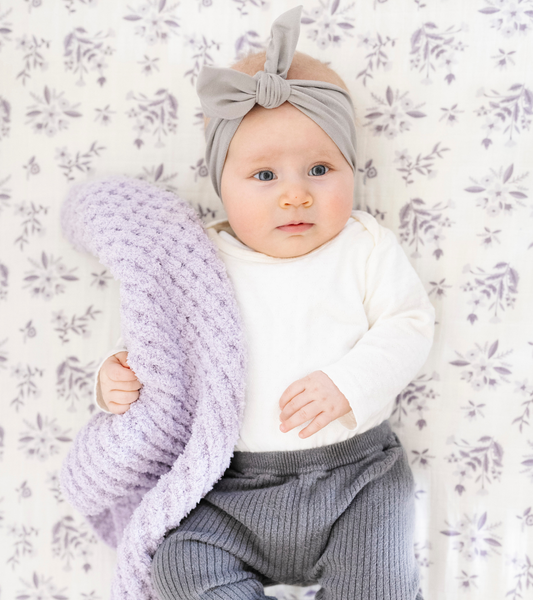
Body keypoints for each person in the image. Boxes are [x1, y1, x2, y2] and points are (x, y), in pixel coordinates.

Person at [93, 6, 434, 599]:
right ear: (220, 181)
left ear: (352, 169)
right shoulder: (199, 260)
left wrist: (347, 382)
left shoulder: (363, 246)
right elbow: (159, 349)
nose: (296, 194)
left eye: (321, 168)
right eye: (264, 176)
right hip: (229, 493)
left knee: (379, 583)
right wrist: (113, 379)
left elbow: (409, 325)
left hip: (357, 480)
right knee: (176, 568)